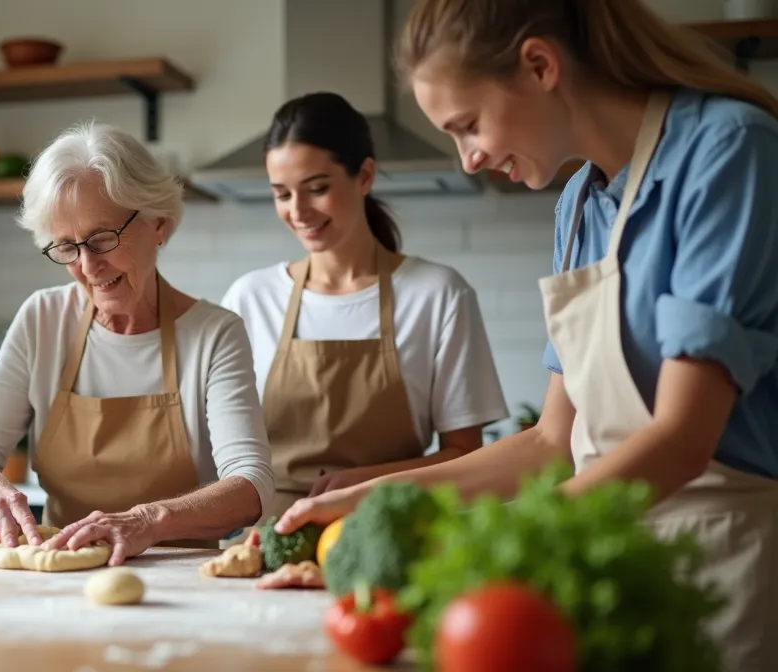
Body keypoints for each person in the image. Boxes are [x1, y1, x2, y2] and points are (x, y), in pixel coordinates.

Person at [276, 1, 778, 668]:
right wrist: (375, 500)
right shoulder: (577, 205)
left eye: (468, 125)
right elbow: (550, 443)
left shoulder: (729, 151)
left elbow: (681, 441)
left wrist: (477, 544)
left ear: (540, 65)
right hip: (598, 565)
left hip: (721, 564)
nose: (469, 159)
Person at [0, 121, 274, 565]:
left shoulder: (214, 334)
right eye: (66, 247)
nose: (88, 265)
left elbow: (251, 486)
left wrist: (148, 521)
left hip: (178, 581)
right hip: (56, 576)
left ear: (158, 223)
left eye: (102, 239)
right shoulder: (43, 319)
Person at [220, 91, 508, 525]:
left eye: (317, 189)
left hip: (391, 532)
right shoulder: (250, 298)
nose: (298, 211)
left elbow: (464, 455)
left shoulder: (438, 295)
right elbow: (223, 453)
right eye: (282, 194)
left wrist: (367, 483)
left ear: (365, 176)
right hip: (268, 540)